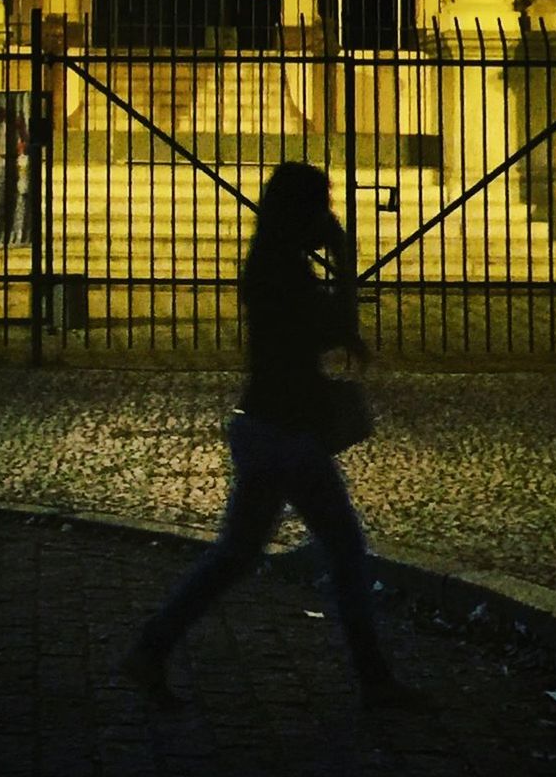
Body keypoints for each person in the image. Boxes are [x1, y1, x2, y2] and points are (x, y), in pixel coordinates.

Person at [119, 161, 432, 710]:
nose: (330, 214)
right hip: (287, 434)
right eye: (323, 204)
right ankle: (375, 678)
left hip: (269, 426)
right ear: (302, 211)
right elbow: (329, 327)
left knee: (237, 555)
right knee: (344, 552)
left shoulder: (272, 263)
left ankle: (152, 646)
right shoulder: (281, 272)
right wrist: (344, 259)